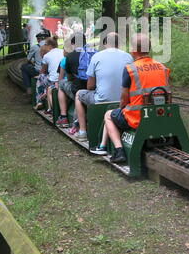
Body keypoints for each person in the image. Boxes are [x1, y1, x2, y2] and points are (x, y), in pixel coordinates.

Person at [91, 33, 170, 163]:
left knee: (109, 115)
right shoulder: (162, 67)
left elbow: (124, 99)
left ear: (133, 50)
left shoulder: (130, 69)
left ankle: (119, 151)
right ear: (148, 48)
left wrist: (121, 109)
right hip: (161, 115)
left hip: (137, 117)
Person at [75, 33, 133, 142]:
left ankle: (82, 131)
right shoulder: (128, 57)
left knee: (79, 94)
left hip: (102, 100)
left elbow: (90, 85)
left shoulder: (97, 56)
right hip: (124, 100)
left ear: (105, 43)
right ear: (119, 43)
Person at [56, 32, 96, 133]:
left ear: (73, 43)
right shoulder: (95, 53)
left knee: (61, 83)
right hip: (93, 88)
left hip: (78, 88)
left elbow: (69, 78)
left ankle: (63, 116)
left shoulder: (70, 56)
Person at [40, 36, 63, 113]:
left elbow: (43, 71)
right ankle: (49, 108)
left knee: (42, 78)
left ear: (50, 46)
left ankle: (51, 108)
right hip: (62, 78)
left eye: (45, 45)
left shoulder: (46, 56)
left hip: (53, 80)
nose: (44, 46)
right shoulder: (63, 51)